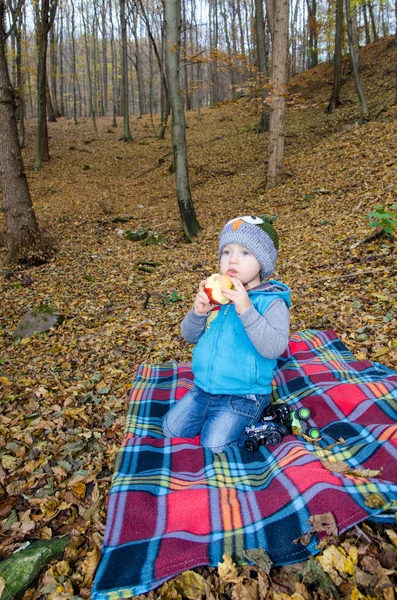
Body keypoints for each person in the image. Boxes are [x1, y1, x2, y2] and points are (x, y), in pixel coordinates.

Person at [162, 215, 291, 453]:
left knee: (214, 444)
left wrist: (245, 308)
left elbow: (274, 348)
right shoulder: (219, 295)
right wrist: (198, 313)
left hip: (244, 395)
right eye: (227, 252)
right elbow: (189, 336)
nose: (233, 260)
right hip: (204, 389)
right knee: (171, 430)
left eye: (245, 253)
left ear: (262, 262)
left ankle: (261, 419)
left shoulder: (271, 302)